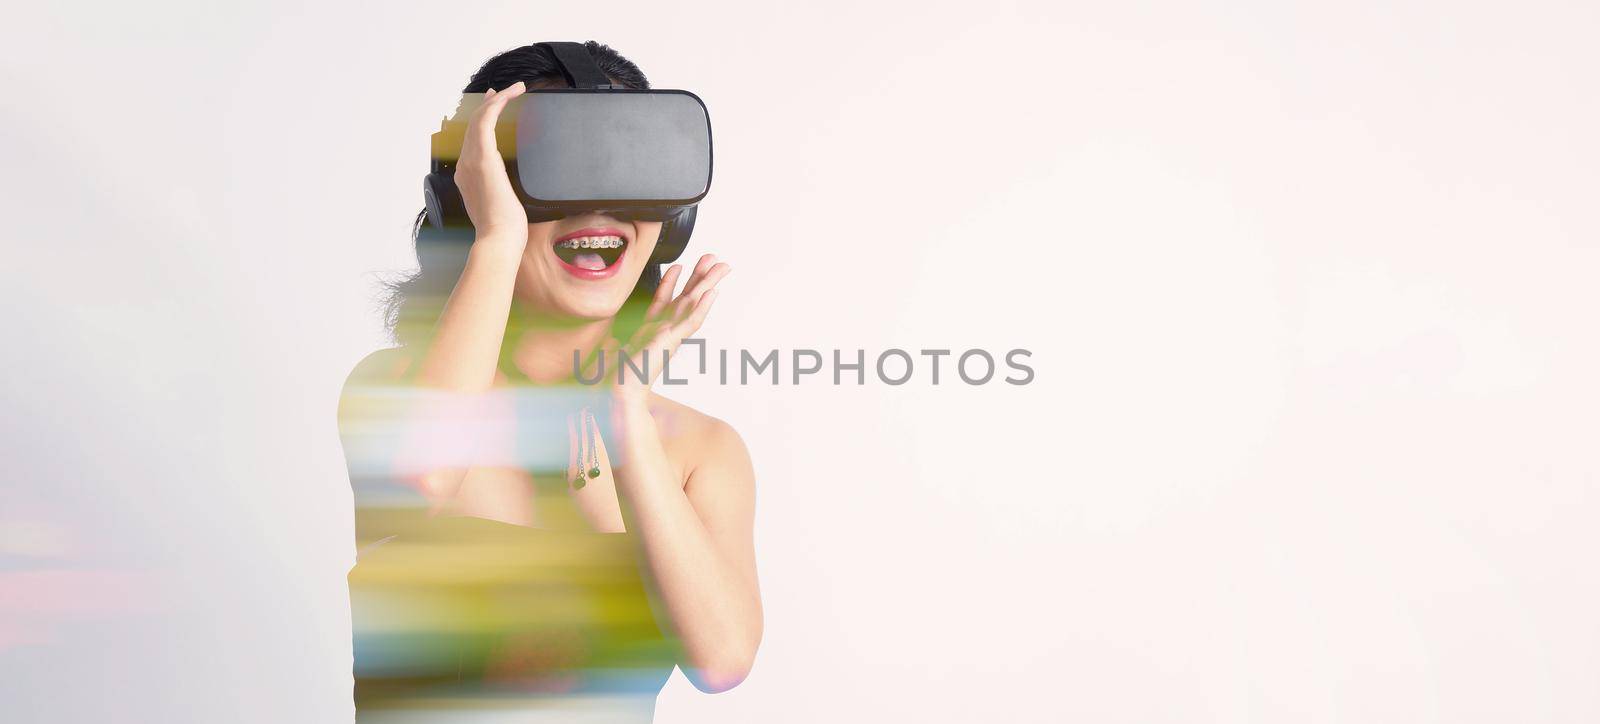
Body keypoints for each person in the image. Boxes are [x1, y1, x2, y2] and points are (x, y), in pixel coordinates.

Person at [336, 41, 761, 722]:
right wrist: (497, 239)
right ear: (472, 198)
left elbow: (721, 660)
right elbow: (426, 475)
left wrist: (627, 422)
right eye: (552, 175)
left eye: (627, 172)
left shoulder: (701, 451)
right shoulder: (392, 389)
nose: (598, 211)